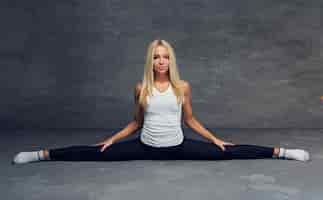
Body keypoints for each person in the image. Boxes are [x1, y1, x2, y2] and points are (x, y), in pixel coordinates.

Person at [12, 39, 310, 164]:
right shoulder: (141, 87)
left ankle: (282, 152)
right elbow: (137, 122)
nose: (161, 61)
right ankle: (40, 155)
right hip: (145, 146)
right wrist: (112, 139)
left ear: (171, 59)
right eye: (156, 57)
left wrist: (215, 139)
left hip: (179, 146)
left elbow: (190, 120)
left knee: (228, 151)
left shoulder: (182, 86)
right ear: (150, 61)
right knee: (95, 152)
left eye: (166, 56)